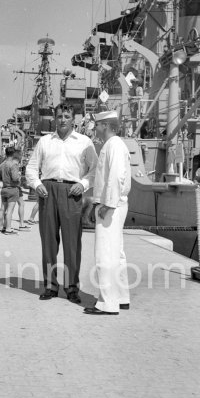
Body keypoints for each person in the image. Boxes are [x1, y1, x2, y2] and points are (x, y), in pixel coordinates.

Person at [25, 103, 98, 304]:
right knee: (49, 242)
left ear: (74, 119)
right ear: (54, 119)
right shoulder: (45, 141)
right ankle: (50, 286)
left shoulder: (84, 142)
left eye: (67, 116)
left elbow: (95, 170)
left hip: (72, 193)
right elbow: (31, 168)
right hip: (48, 191)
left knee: (72, 243)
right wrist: (37, 184)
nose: (63, 119)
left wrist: (83, 185)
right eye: (59, 116)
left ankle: (72, 287)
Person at [84, 110, 131, 316]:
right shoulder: (114, 145)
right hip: (114, 205)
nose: (95, 128)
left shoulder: (114, 145)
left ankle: (107, 303)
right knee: (117, 253)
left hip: (110, 207)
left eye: (97, 125)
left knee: (105, 254)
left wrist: (107, 204)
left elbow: (116, 177)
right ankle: (121, 297)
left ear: (105, 125)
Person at [0, 147, 21, 234]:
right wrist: (19, 176)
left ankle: (0, 228)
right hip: (12, 189)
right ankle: (8, 229)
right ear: (13, 154)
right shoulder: (13, 165)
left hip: (4, 189)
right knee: (10, 210)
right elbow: (15, 178)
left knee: (2, 209)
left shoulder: (1, 165)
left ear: (6, 153)